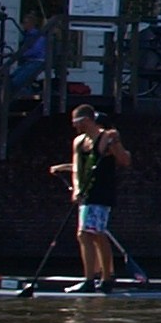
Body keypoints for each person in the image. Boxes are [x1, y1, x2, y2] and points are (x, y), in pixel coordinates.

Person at [47, 104, 134, 291]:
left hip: (102, 192)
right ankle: (96, 278)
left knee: (92, 233)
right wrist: (77, 190)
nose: (74, 127)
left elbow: (125, 161)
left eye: (76, 123)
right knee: (87, 234)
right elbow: (77, 169)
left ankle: (101, 279)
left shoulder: (106, 138)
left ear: (86, 120)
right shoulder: (78, 142)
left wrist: (116, 143)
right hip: (86, 193)